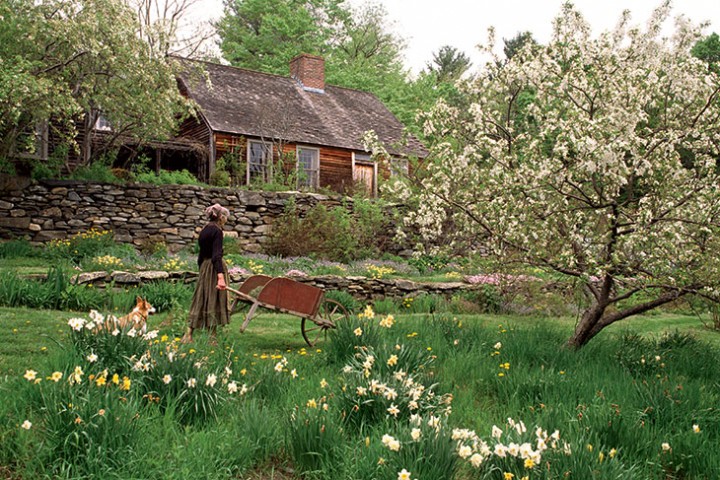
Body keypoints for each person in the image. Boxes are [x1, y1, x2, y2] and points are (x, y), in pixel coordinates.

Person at [181, 203, 231, 344]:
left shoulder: (204, 231)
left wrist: (201, 269)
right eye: (225, 217)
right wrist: (220, 277)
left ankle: (189, 334)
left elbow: (201, 255)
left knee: (201, 299)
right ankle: (212, 338)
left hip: (204, 266)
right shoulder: (217, 231)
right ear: (220, 217)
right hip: (214, 268)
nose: (226, 220)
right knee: (214, 301)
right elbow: (216, 256)